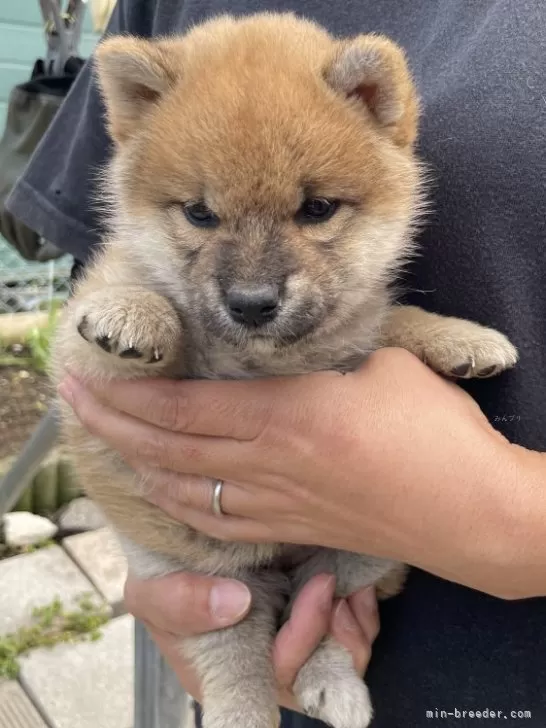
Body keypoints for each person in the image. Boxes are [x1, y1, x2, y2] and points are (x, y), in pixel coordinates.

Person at [7, 1, 545, 726]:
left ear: (375, 106)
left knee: (341, 581)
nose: (252, 282)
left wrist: (512, 520)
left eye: (315, 209)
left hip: (462, 655)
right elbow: (94, 351)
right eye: (201, 215)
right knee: (228, 639)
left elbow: (364, 336)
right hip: (196, 549)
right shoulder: (162, 32)